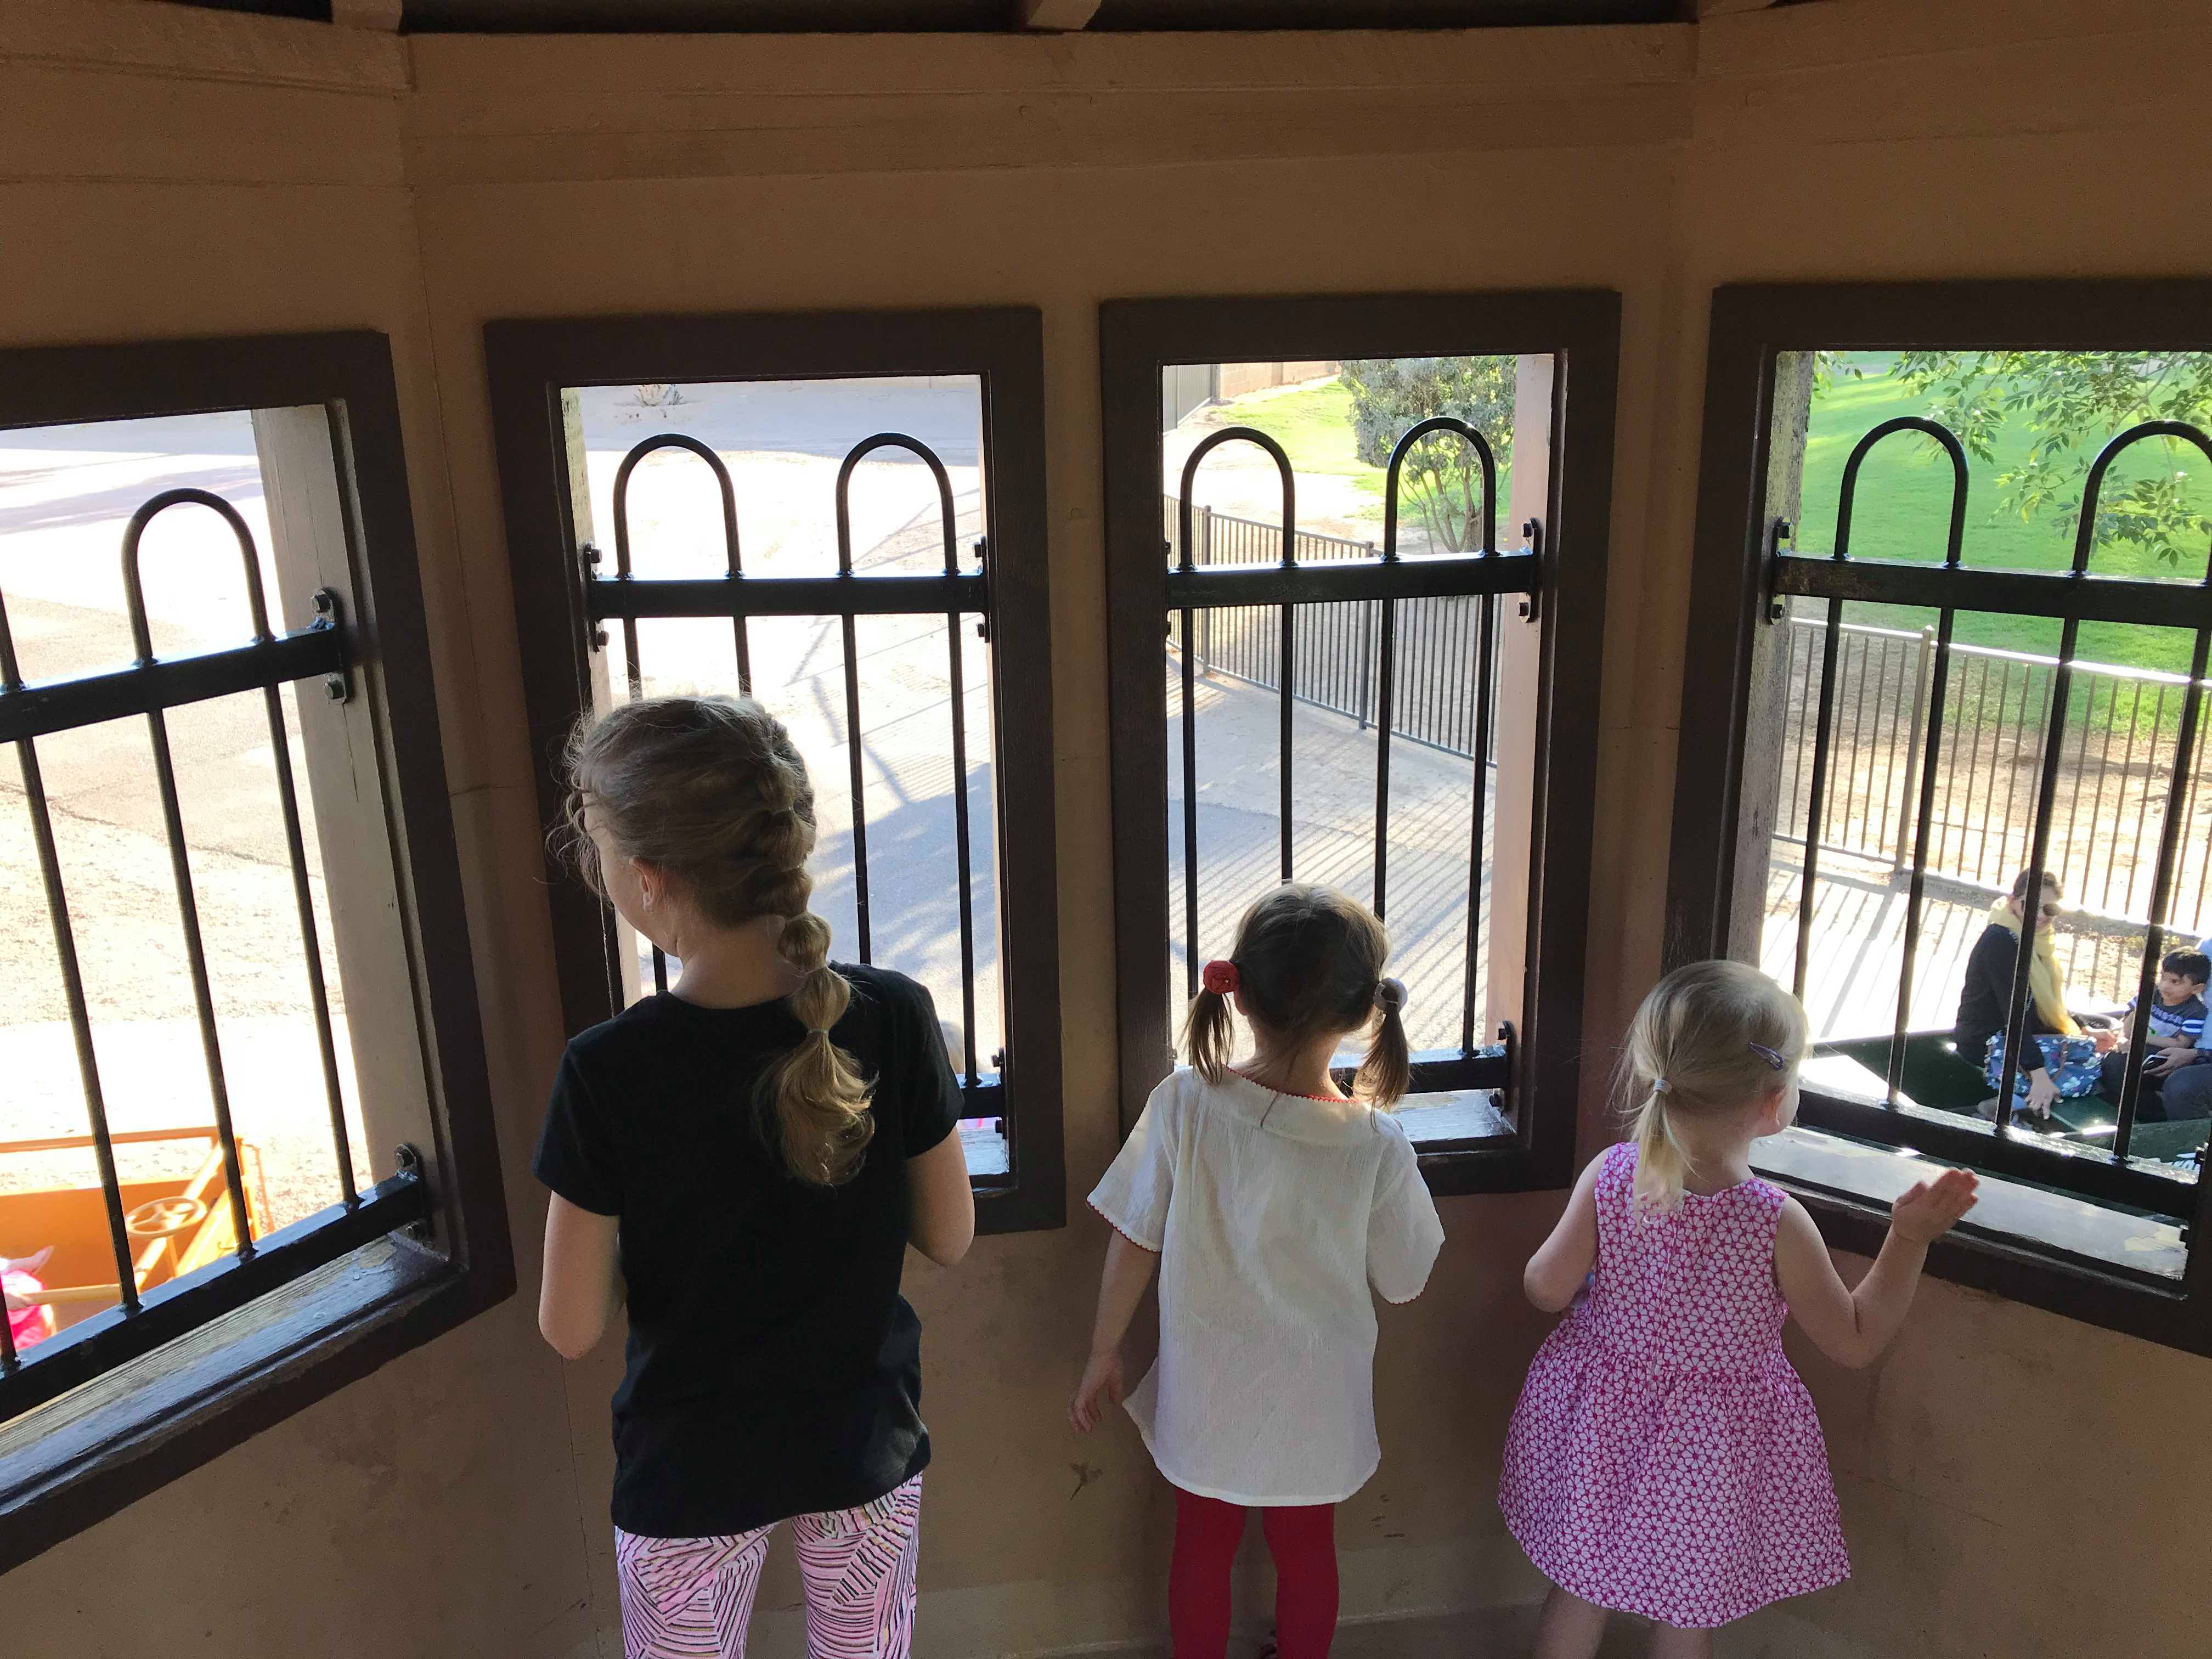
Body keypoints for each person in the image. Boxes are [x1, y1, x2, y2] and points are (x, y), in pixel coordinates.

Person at [533, 695, 975, 1659]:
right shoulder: (895, 1014)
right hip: (863, 1441)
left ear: (649, 877)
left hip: (686, 1470)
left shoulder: (608, 1069)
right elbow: (949, 1234)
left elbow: (570, 1325)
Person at [1500, 960, 1979, 1659]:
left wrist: (1605, 1301)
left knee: (1581, 1588)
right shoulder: (1774, 1221)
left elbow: (1545, 1287)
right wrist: (1907, 1240)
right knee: (1686, 1611)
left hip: (1598, 1424)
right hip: (1710, 1452)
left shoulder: (1612, 1174)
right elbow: (1854, 1339)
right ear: (1774, 1102)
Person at [1069, 884, 1445, 1659]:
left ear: (1237, 995)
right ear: (1365, 1012)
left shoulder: (1184, 1103)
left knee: (1200, 1545)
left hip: (1205, 1388)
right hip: (1319, 1400)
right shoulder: (1375, 1145)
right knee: (1307, 1552)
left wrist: (1105, 1350)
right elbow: (1405, 1278)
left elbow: (1134, 1235)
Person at [1953, 868, 2115, 1119]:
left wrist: (2083, 1027)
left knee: (2092, 1058)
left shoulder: (2038, 940)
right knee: (2084, 1075)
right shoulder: (2001, 940)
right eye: (2030, 905)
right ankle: (2007, 1106)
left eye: (2050, 909)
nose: (2040, 915)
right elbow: (2013, 1014)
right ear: (2012, 901)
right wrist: (2038, 1075)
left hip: (2018, 1034)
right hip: (1988, 1041)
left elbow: (2043, 1002)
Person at [2096, 949, 2210, 1116]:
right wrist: (2123, 1038)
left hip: (2162, 1054)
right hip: (2138, 1043)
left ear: (2197, 988)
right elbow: (2132, 1017)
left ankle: (2148, 1114)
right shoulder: (2151, 993)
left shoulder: (2195, 1011)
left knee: (2122, 1066)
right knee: (2111, 1062)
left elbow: (2182, 1043)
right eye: (2163, 978)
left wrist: (2141, 1038)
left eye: (2175, 982)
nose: (2165, 986)